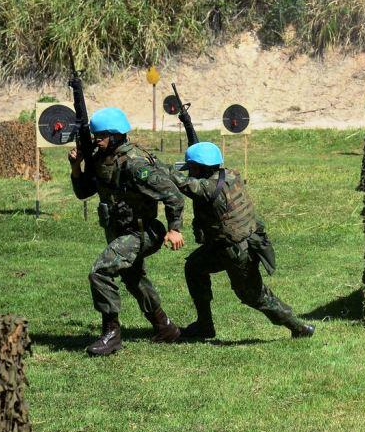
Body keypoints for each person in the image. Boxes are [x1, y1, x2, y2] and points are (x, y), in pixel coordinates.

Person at [167, 142, 315, 339]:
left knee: (254, 295)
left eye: (192, 168)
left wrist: (157, 166)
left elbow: (184, 183)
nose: (190, 172)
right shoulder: (229, 174)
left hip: (238, 250)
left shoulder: (208, 188)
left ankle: (298, 327)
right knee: (194, 267)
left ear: (201, 168)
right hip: (224, 245)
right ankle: (205, 325)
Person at [68, 107, 185, 356]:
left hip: (142, 232)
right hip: (121, 231)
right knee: (134, 279)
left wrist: (174, 229)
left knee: (100, 271)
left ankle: (111, 334)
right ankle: (165, 328)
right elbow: (84, 192)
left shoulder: (134, 163)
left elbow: (172, 194)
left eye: (101, 136)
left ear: (117, 135)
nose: (96, 140)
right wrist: (76, 167)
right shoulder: (102, 157)